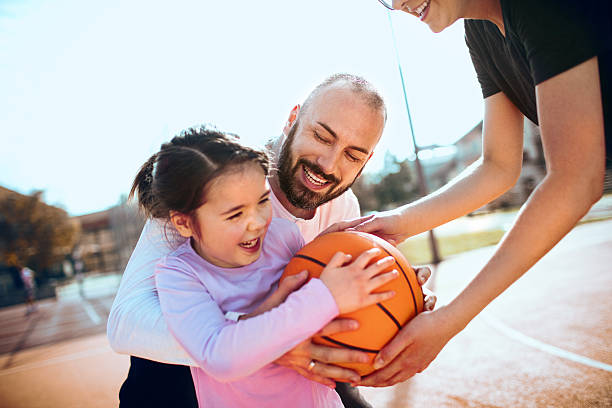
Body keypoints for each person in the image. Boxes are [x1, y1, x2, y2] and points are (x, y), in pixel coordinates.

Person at [107, 74, 436, 407]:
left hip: (286, 366)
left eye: (353, 156)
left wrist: (398, 292)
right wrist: (271, 342)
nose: (328, 163)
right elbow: (125, 323)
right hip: (180, 379)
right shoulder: (212, 182)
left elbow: (336, 307)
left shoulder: (342, 206)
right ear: (292, 119)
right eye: (321, 136)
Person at [336, 0, 611, 387]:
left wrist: (450, 320)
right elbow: (498, 165)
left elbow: (575, 177)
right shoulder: (480, 31)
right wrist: (399, 223)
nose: (397, 5)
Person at [128, 127, 403, 407]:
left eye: (262, 201)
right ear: (184, 223)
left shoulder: (283, 235)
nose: (258, 222)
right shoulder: (179, 275)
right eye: (236, 213)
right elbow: (220, 356)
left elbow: (326, 299)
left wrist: (396, 287)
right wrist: (324, 296)